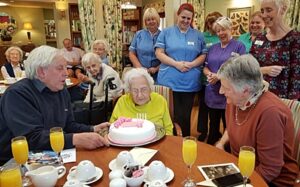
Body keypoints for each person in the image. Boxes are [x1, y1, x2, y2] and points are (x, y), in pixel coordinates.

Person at [0, 45, 110, 165]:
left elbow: (68, 125)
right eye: (60, 68)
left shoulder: (61, 90)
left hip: (52, 155)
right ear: (41, 72)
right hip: (15, 163)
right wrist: (76, 139)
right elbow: (31, 138)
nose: (66, 73)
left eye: (65, 68)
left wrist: (92, 129)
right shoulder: (17, 94)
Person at [215, 54, 299, 186]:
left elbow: (270, 169)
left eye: (226, 88)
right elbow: (234, 125)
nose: (220, 91)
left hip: (270, 180)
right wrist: (221, 143)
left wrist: (235, 183)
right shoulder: (234, 100)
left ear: (245, 91)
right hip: (239, 168)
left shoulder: (270, 113)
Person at [155, 3, 207, 136]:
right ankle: (170, 140)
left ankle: (186, 140)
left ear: (192, 19)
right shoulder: (166, 33)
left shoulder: (198, 35)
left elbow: (203, 55)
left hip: (190, 81)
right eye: (183, 17)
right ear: (177, 15)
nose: (185, 21)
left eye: (189, 19)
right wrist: (176, 64)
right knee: (171, 114)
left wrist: (192, 64)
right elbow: (159, 53)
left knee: (186, 114)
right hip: (169, 81)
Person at [203, 17, 246, 145]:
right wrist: (210, 74)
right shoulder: (212, 48)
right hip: (212, 92)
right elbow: (205, 67)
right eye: (218, 31)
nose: (221, 33)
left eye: (223, 29)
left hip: (230, 93)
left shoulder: (239, 46)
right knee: (213, 124)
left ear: (230, 28)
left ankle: (228, 149)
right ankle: (212, 148)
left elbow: (240, 69)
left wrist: (219, 76)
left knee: (230, 124)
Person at [250, 0, 300, 100]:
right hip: (256, 98)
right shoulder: (260, 38)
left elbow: (296, 80)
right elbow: (248, 69)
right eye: (262, 11)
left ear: (283, 9)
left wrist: (290, 107)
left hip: (281, 102)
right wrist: (263, 70)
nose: (264, 15)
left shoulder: (295, 39)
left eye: (269, 10)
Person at [110, 68, 173, 135]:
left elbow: (168, 129)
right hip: (128, 143)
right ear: (129, 91)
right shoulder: (122, 102)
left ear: (150, 88)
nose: (139, 95)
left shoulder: (160, 100)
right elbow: (112, 127)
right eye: (135, 91)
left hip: (157, 143)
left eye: (143, 89)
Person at [197, 11, 222, 141]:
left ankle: (215, 131)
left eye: (215, 22)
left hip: (219, 78)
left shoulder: (221, 36)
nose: (212, 25)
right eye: (210, 22)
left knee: (216, 107)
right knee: (203, 106)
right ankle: (202, 130)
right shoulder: (202, 36)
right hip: (204, 76)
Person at [129, 8, 161, 82]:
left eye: (153, 19)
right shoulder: (138, 34)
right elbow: (132, 53)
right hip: (140, 73)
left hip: (159, 74)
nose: (151, 22)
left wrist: (156, 68)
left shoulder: (163, 35)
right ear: (145, 22)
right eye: (148, 20)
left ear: (157, 20)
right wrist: (140, 68)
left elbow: (167, 55)